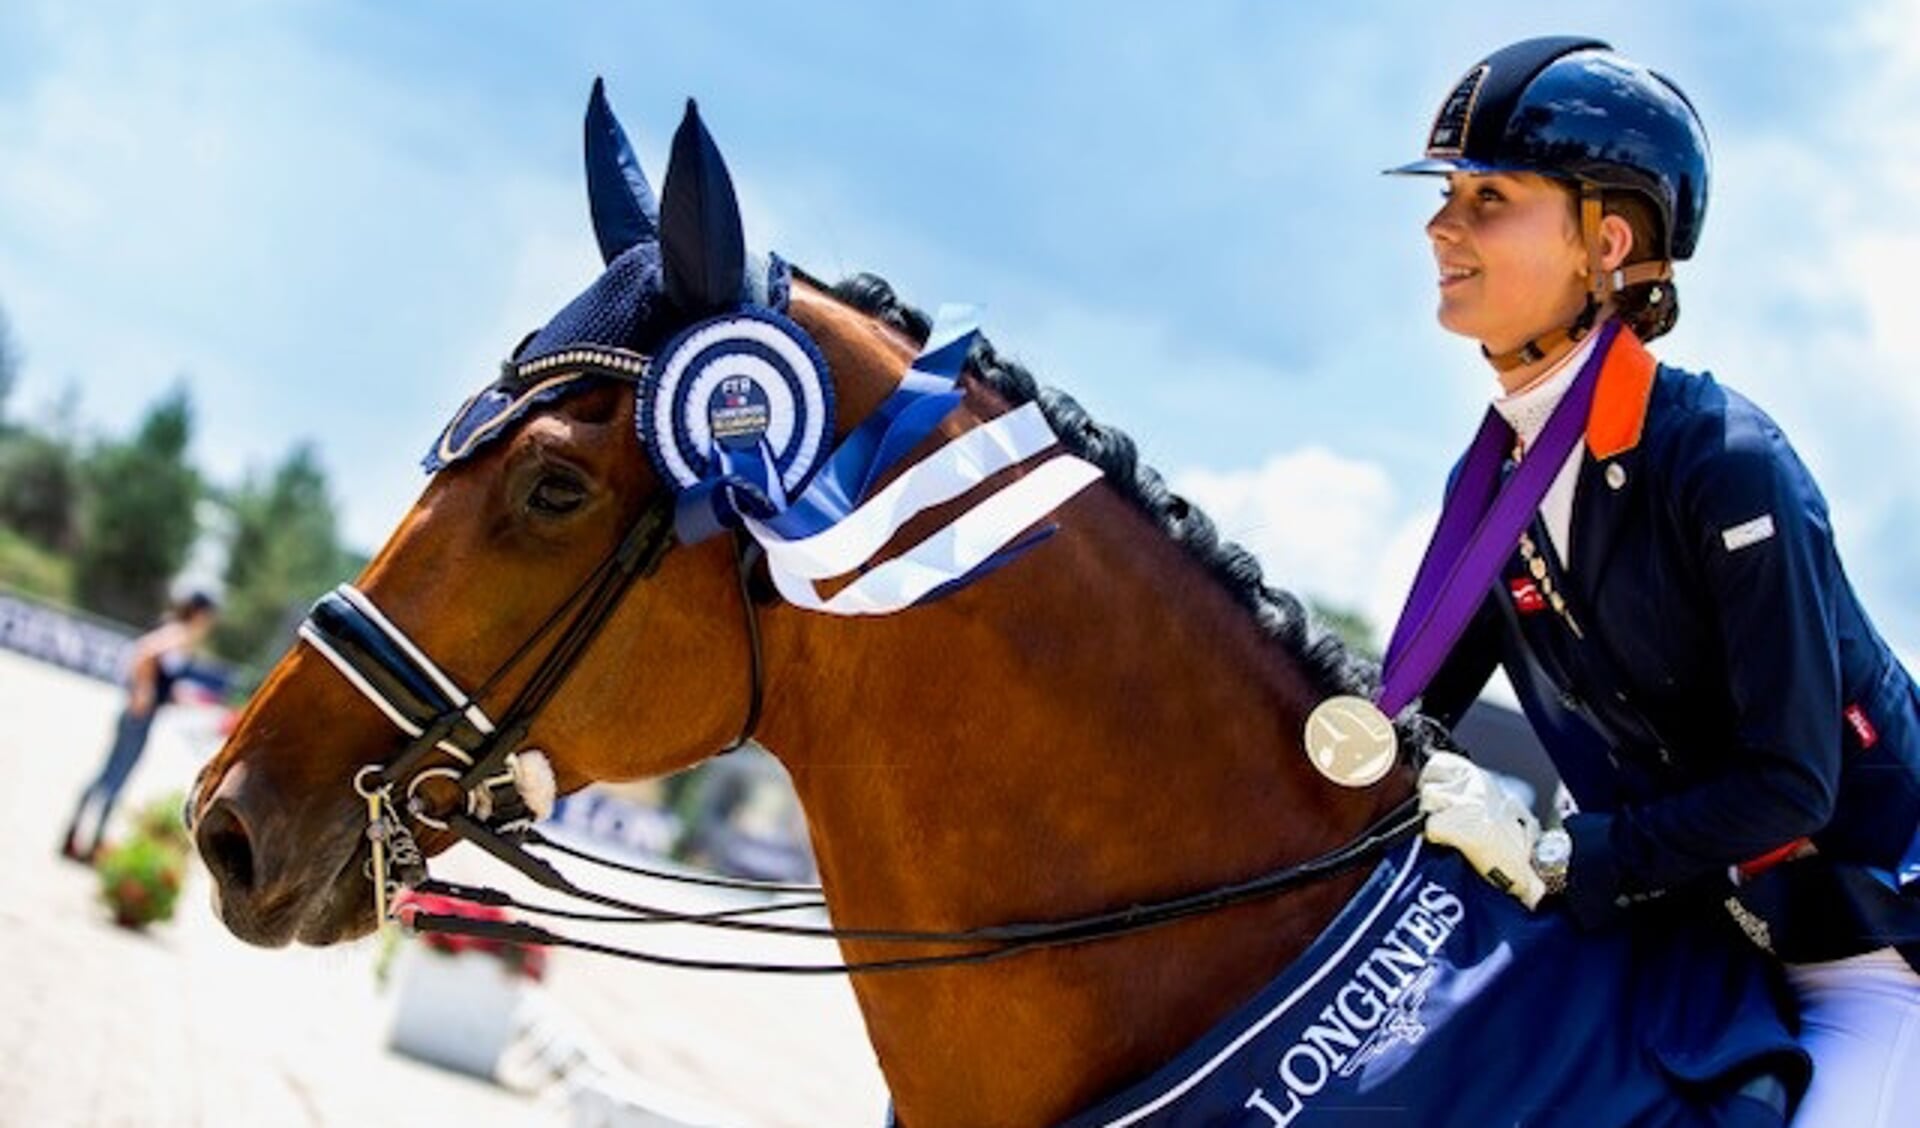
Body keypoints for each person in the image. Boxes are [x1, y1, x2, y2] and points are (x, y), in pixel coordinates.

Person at [1386, 36, 1920, 1127]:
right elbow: (1403, 726)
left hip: (1865, 957)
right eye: (1447, 195)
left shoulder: (1725, 462)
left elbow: (1789, 785)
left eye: (1489, 198)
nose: (1441, 226)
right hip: (1685, 942)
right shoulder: (1487, 482)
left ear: (1606, 242)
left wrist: (1548, 852)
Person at [59, 590, 219, 863]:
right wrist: (142, 690)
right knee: (113, 778)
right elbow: (144, 652)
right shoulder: (178, 633)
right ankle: (88, 841)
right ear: (201, 614)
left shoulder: (179, 634)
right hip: (138, 717)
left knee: (111, 776)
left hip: (143, 717)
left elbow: (159, 672)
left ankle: (79, 836)